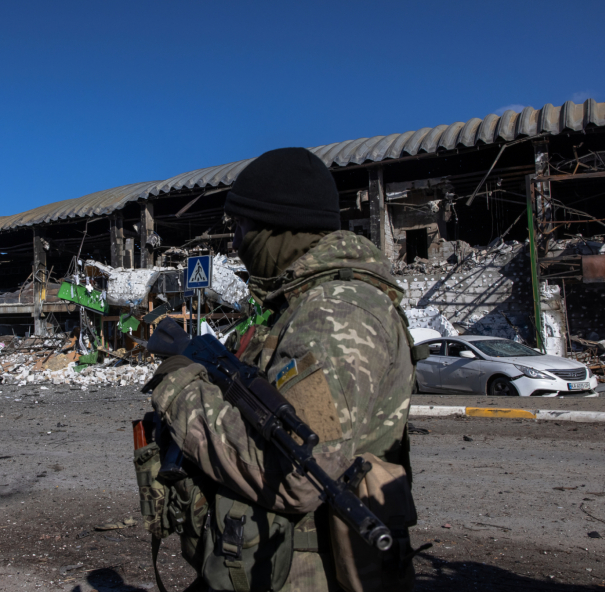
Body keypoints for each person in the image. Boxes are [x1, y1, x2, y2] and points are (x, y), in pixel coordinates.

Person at [149, 147, 418, 591]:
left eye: (241, 228)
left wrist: (179, 387)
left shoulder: (336, 313)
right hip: (270, 562)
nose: (235, 243)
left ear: (278, 229)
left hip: (306, 572)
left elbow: (296, 476)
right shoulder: (301, 306)